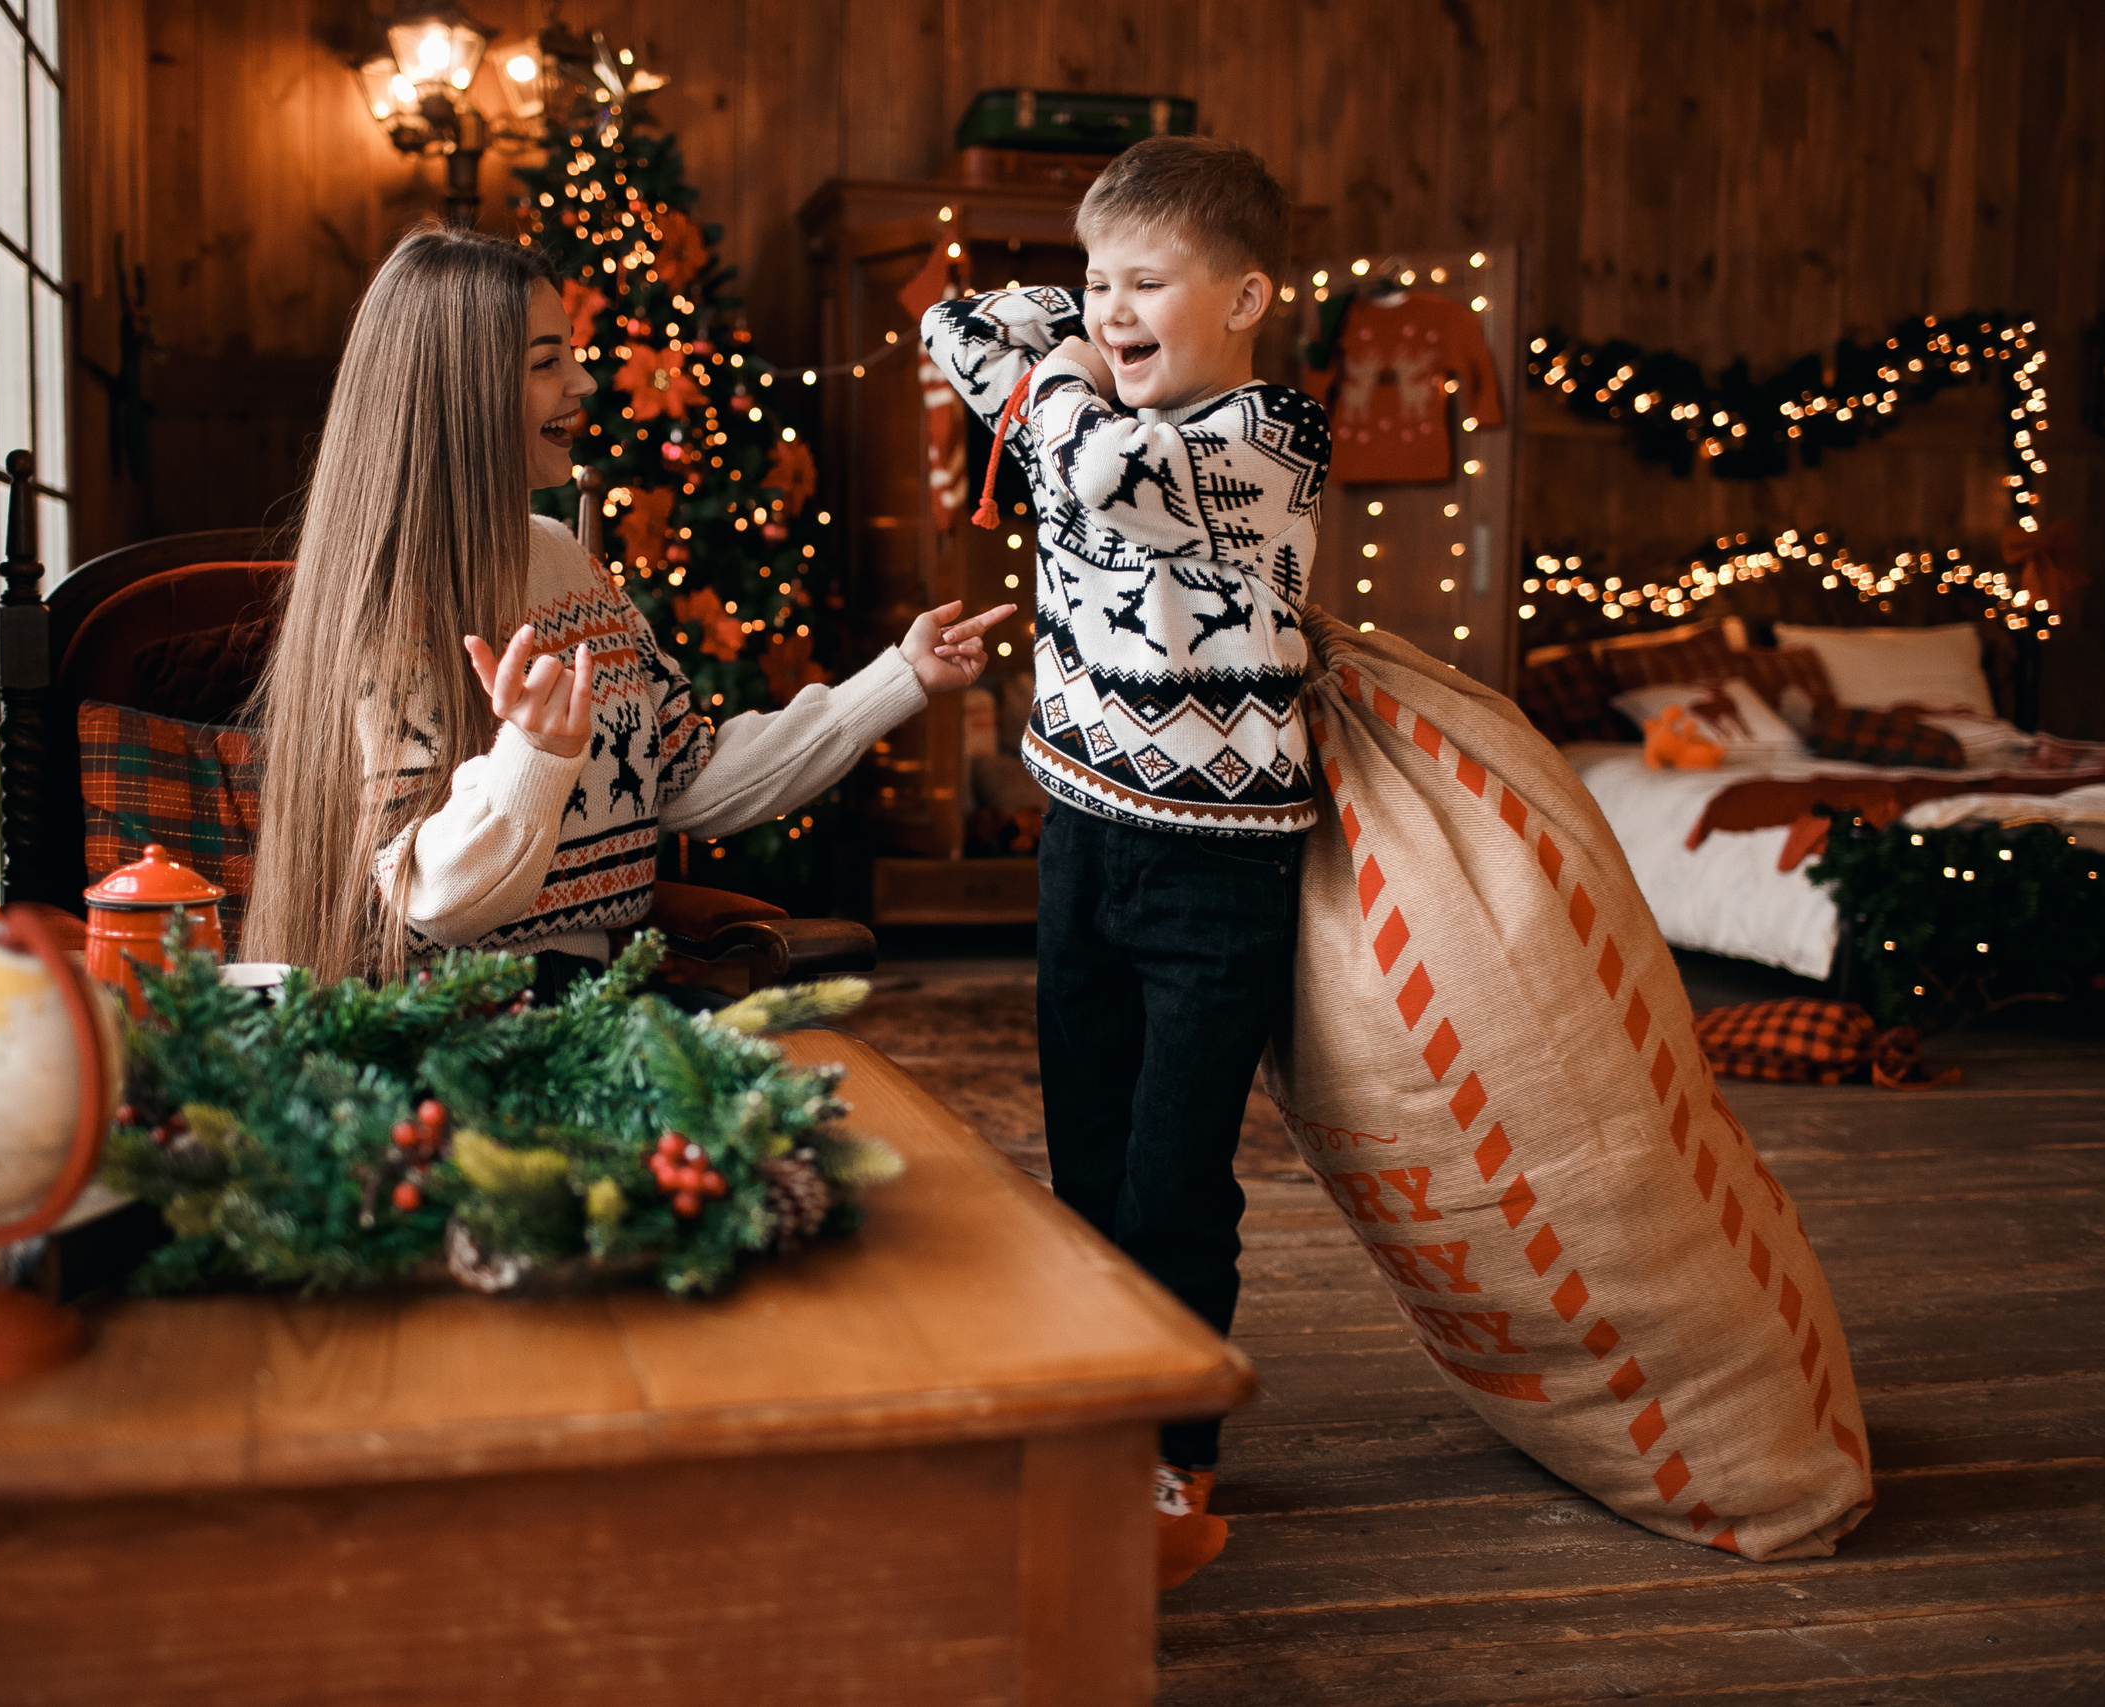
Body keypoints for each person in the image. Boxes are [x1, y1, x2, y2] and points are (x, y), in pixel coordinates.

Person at [919, 137, 1332, 1589]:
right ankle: (1090, 1410)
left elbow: (1099, 472)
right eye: (1098, 279)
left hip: (1217, 867)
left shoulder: (1269, 434)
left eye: (1149, 283)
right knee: (1086, 1159)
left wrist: (1064, 360)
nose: (1111, 309)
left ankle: (1173, 1455)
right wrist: (1081, 311)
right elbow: (949, 327)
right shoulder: (1090, 371)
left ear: (1249, 298)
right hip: (1083, 838)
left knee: (1171, 1180)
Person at [247, 226, 1011, 985]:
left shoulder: (566, 562)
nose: (582, 382)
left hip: (597, 997)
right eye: (546, 362)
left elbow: (688, 775)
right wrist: (535, 754)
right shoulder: (390, 613)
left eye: (570, 354)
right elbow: (433, 900)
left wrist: (897, 678)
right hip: (448, 1017)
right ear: (461, 391)